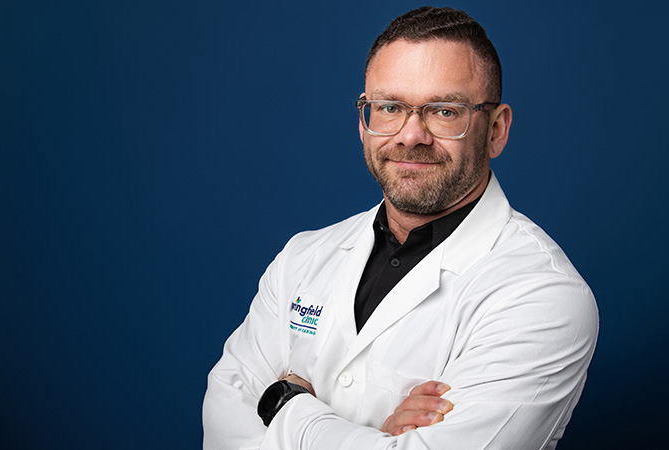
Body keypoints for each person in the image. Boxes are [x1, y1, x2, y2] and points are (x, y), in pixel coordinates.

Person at [203, 6, 598, 450]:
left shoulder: (542, 296)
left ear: (496, 130)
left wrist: (286, 402)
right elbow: (223, 425)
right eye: (389, 107)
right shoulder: (302, 257)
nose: (411, 135)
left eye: (444, 111)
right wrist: (374, 437)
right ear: (363, 122)